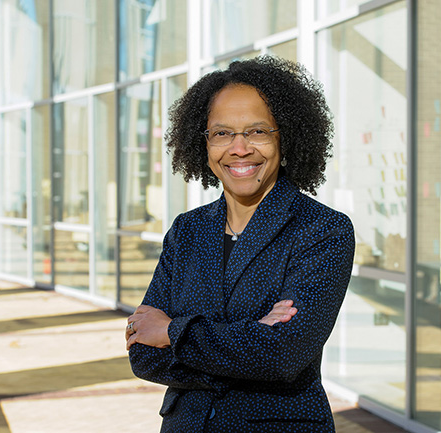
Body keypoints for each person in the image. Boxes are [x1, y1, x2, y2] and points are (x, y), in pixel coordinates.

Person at [125, 56, 355, 432]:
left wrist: (171, 332)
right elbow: (143, 356)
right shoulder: (187, 231)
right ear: (204, 143)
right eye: (222, 133)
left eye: (257, 132)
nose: (239, 148)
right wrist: (250, 337)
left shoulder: (322, 230)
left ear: (287, 136)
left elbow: (283, 354)